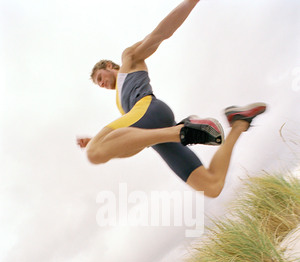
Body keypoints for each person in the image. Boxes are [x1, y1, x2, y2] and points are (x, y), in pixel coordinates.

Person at [77, 0, 266, 198]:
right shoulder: (122, 102)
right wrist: (101, 141)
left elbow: (160, 34)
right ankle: (239, 123)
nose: (102, 84)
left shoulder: (128, 60)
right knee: (211, 186)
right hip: (158, 133)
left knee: (94, 152)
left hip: (151, 110)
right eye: (99, 84)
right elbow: (130, 138)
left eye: (100, 78)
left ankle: (183, 131)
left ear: (109, 65)